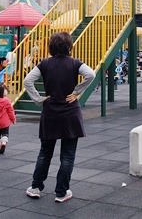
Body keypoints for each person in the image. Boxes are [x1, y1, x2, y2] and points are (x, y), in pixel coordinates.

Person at [24, 32, 95, 203]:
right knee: (67, 156)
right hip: (70, 114)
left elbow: (27, 81)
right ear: (69, 46)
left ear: (51, 47)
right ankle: (61, 192)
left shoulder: (45, 64)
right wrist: (77, 92)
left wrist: (39, 99)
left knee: (45, 153)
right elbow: (91, 74)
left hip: (50, 113)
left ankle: (35, 187)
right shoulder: (75, 63)